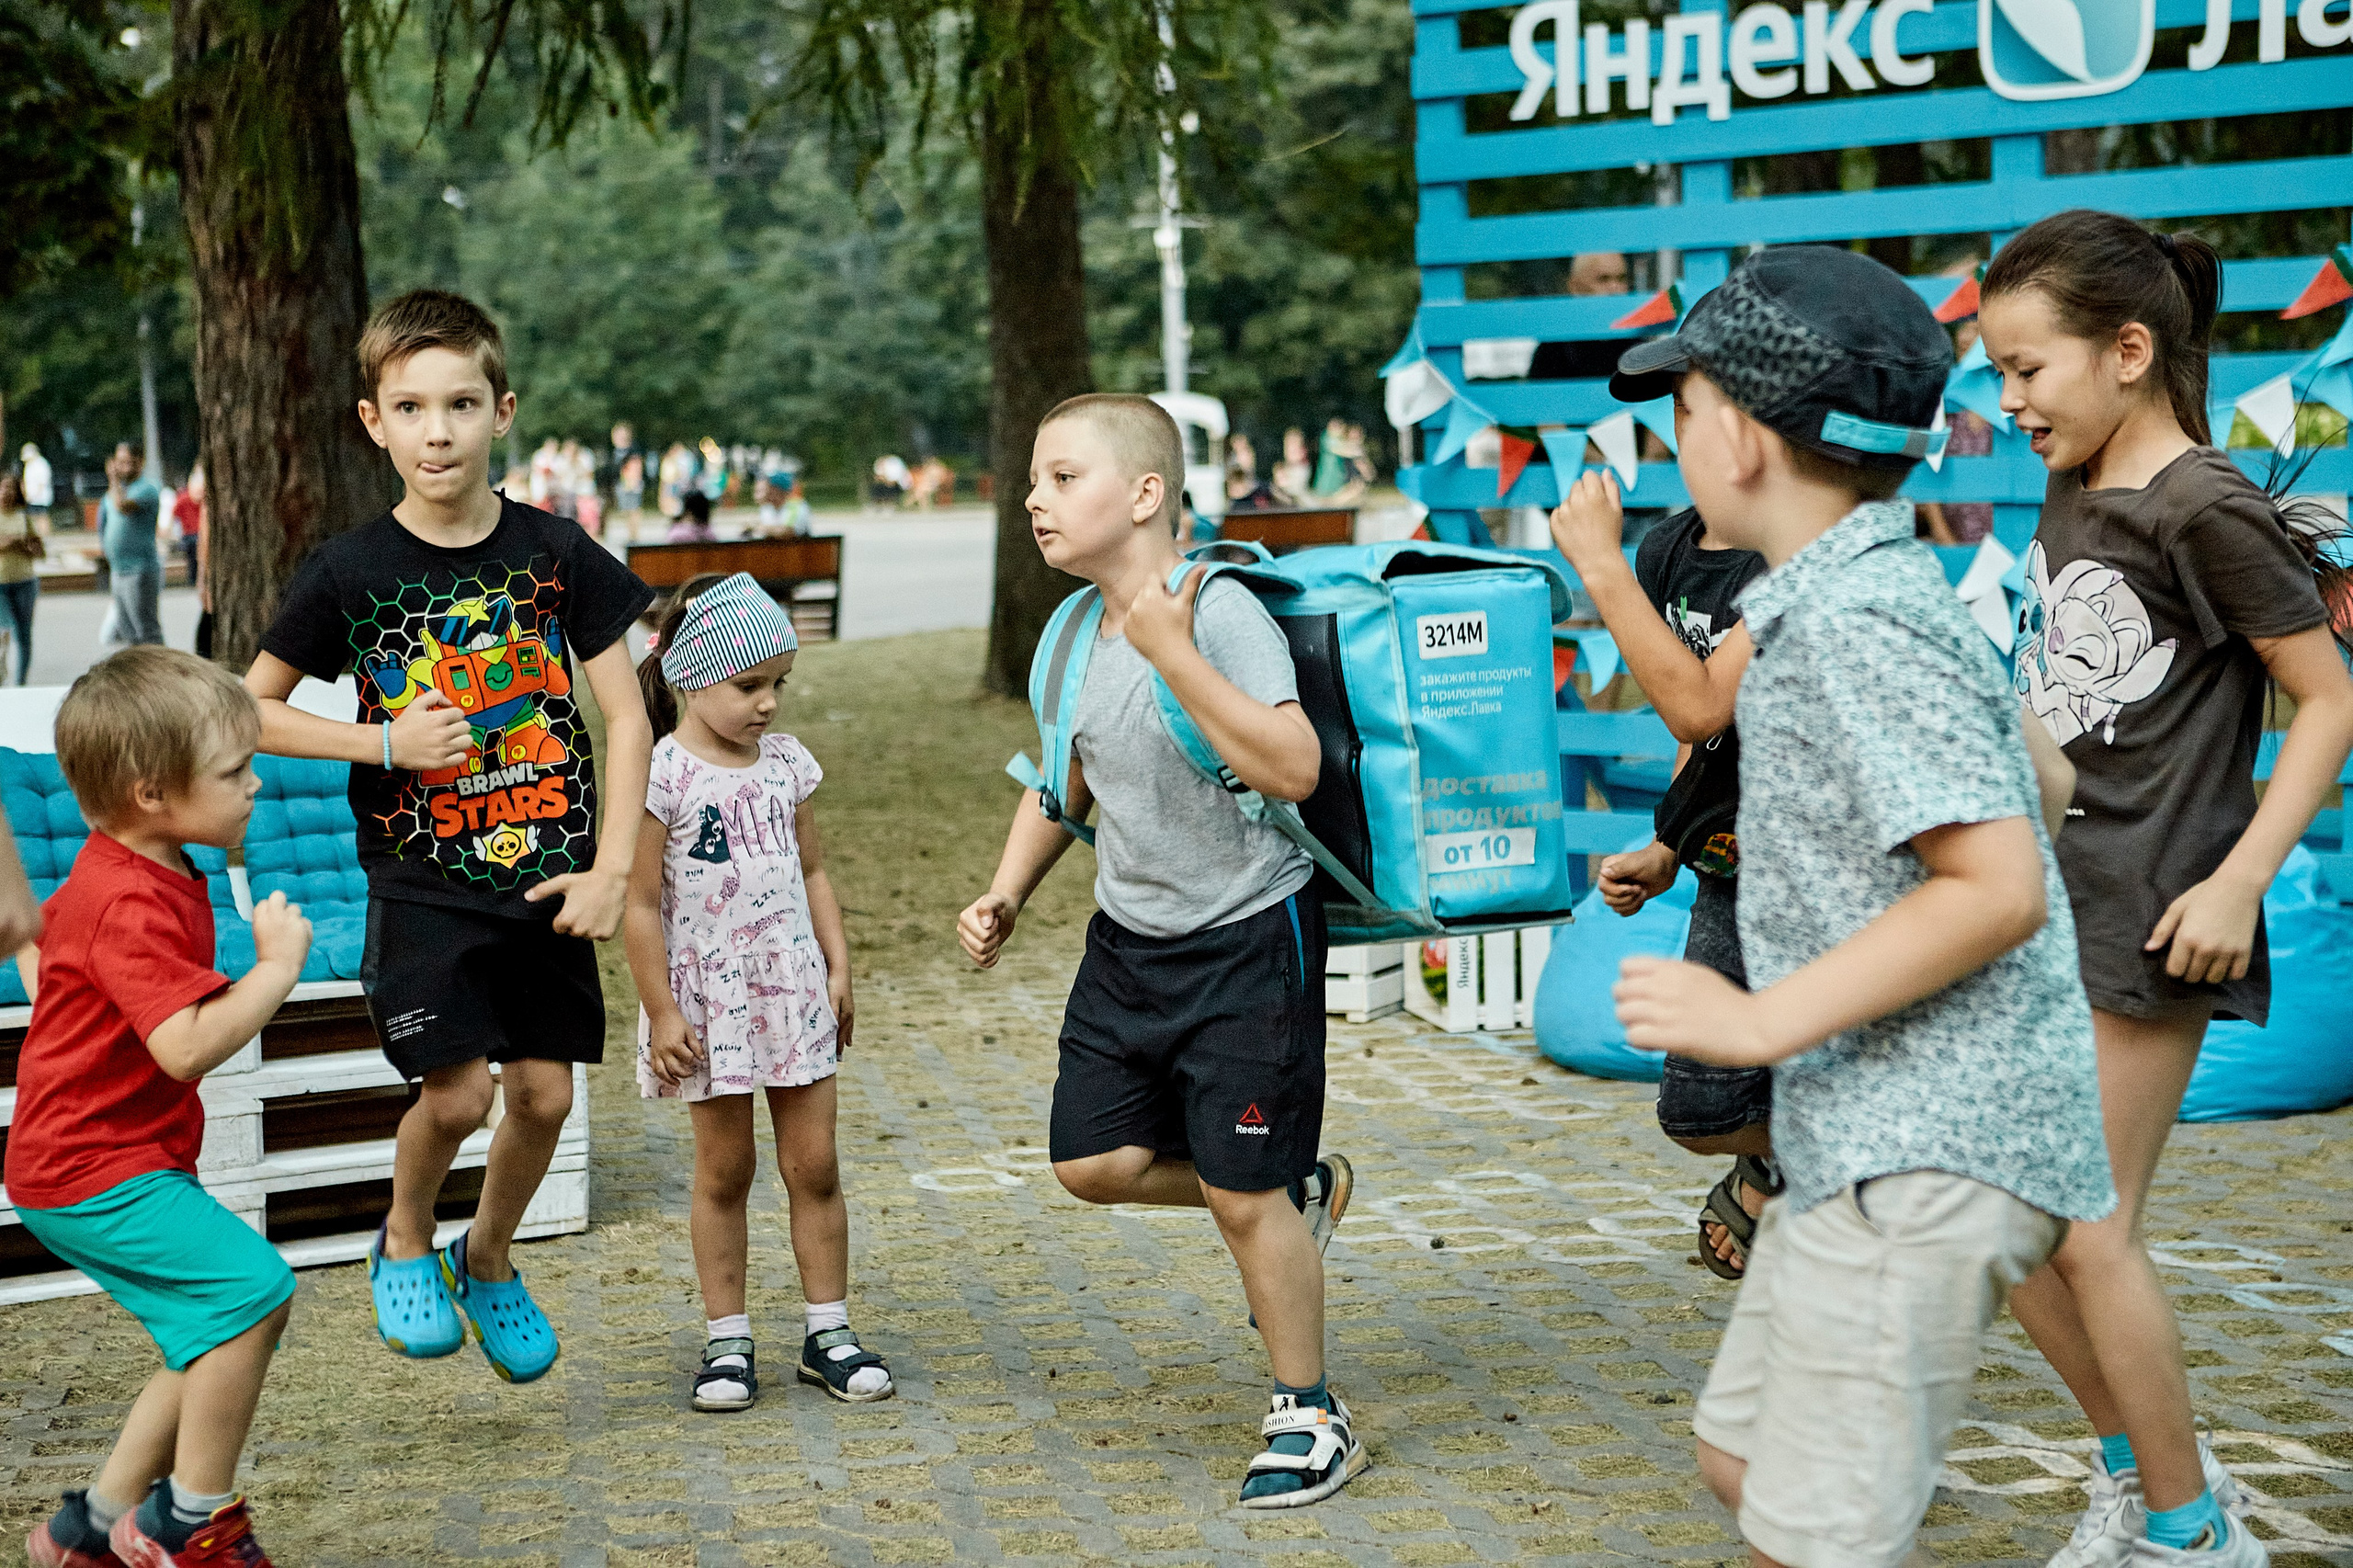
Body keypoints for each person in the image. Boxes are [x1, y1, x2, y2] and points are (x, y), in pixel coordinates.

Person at [1607, 245, 2116, 1568]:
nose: (1673, 438)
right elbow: (2038, 778)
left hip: (1924, 1149)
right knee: (1740, 1457)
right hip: (1854, 1136)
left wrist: (1759, 1014)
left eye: (1685, 406)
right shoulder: (1829, 604)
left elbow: (1998, 884)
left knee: (1807, 1533)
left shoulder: (1860, 623)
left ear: (1750, 441)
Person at [1980, 211, 2353, 1568]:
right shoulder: (2078, 477)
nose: (2009, 401)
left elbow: (2325, 700)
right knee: (2008, 1221)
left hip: (2161, 910)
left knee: (2087, 1224)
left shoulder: (2205, 505)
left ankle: (2193, 1534)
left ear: (2128, 350)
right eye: (1997, 373)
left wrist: (2242, 882)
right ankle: (2147, 1479)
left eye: (2028, 369)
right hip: (2048, 895)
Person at [956, 393, 1361, 1509]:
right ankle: (1295, 1190)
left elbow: (1290, 766)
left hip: (1245, 937)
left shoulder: (1216, 609)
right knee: (1091, 1162)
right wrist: (1005, 889)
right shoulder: (1073, 629)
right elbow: (1064, 780)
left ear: (1143, 494)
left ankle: (1308, 1409)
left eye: (1060, 477)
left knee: (1240, 1196)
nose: (1034, 498)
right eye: (1034, 480)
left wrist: (1174, 652)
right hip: (1128, 943)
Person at [244, 288, 655, 1385]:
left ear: (502, 411)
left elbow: (627, 713)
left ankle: (489, 1255)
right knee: (461, 1092)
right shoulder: (348, 572)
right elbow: (247, 707)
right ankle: (406, 1235)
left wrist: (614, 867)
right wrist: (382, 746)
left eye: (461, 402)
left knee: (547, 1096)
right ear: (373, 421)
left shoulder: (559, 552)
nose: (439, 429)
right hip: (423, 879)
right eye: (412, 406)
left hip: (551, 876)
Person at [14, 649, 313, 1568]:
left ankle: (91, 1530)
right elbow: (181, 1044)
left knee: (206, 1336)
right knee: (251, 1290)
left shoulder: (143, 868)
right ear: (151, 791)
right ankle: (192, 1521)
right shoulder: (125, 898)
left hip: (105, 1157)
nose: (256, 784)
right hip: (91, 1168)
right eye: (233, 771)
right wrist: (274, 969)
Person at [624, 572, 892, 1413]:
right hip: (710, 1007)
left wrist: (837, 964)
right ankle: (728, 1339)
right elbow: (636, 905)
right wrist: (664, 1011)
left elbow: (812, 869)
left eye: (779, 684)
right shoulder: (661, 774)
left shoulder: (788, 765)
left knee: (814, 1165)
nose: (768, 704)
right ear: (691, 679)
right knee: (725, 1171)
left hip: (792, 991)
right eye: (750, 686)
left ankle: (829, 1331)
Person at [1550, 474, 1768, 1276]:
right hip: (1728, 871)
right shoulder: (1670, 548)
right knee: (1699, 1106)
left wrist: (1598, 566)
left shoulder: (1800, 551)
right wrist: (1671, 841)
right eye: (1680, 408)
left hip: (1828, 874)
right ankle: (1797, 1163)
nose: (1690, 429)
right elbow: (1699, 731)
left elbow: (1701, 703)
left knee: (1826, 1062)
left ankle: (1864, 1178)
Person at [1529, 251, 1635, 382]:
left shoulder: (1635, 343)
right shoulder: (1555, 350)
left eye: (1621, 278)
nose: (1615, 288)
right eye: (1603, 279)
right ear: (1574, 286)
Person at [99, 443, 165, 648]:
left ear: (140, 463)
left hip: (140, 569)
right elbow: (105, 523)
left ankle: (159, 672)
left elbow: (122, 507)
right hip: (119, 570)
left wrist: (113, 479)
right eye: (119, 463)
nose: (123, 468)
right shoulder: (113, 493)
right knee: (127, 630)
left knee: (146, 630)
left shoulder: (147, 489)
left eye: (128, 463)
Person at [0, 472, 45, 685]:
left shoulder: (24, 518)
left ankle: (21, 682)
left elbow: (40, 551)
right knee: (3, 630)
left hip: (24, 582)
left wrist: (27, 546)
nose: (6, 493)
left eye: (11, 488)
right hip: (0, 584)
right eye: (3, 488)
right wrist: (8, 543)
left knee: (24, 635)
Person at [171, 466, 205, 590]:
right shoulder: (183, 500)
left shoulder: (204, 502)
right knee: (193, 547)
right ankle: (193, 577)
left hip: (200, 533)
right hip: (189, 534)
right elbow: (174, 516)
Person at [1269, 428, 1313, 505]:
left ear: (1303, 451)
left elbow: (1295, 492)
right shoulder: (1283, 468)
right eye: (1288, 448)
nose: (1290, 453)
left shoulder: (1301, 470)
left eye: (1294, 450)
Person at [20, 442, 55, 529]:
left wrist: (34, 495)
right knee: (32, 518)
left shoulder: (41, 464)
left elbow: (42, 483)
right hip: (31, 498)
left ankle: (45, 537)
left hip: (40, 498)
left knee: (42, 517)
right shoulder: (29, 465)